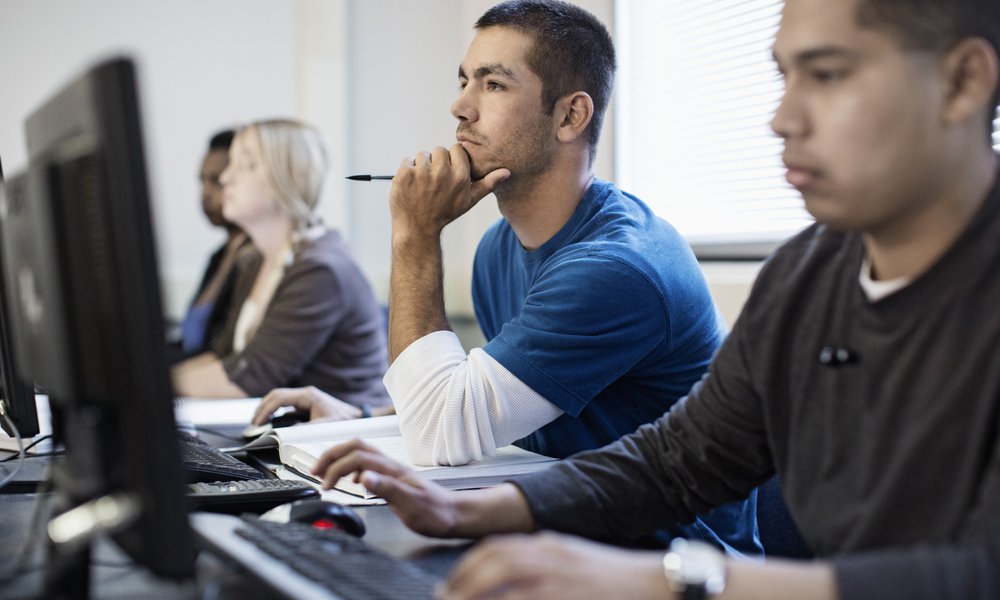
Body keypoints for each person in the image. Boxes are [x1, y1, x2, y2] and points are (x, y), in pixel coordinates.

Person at [310, 0, 1000, 597]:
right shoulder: (808, 272)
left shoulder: (625, 262)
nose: (782, 118)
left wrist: (661, 581)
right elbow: (680, 457)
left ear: (963, 81)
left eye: (826, 75)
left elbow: (976, 574)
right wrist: (472, 510)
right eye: (784, 77)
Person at [255, 0, 761, 555]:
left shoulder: (613, 269)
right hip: (558, 524)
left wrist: (415, 235)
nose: (459, 107)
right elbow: (503, 397)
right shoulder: (499, 248)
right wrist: (360, 416)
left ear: (570, 117)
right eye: (464, 81)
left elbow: (439, 433)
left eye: (493, 85)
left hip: (665, 555)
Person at [172, 119, 390, 412]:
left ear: (285, 180)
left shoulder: (320, 269)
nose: (225, 178)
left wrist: (151, 385)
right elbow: (226, 356)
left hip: (344, 431)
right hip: (288, 427)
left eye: (246, 165)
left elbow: (251, 378)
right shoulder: (254, 260)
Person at [174, 129, 252, 362]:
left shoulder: (256, 259)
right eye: (202, 180)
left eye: (217, 181)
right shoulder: (219, 257)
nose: (205, 194)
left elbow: (228, 353)